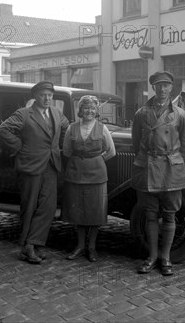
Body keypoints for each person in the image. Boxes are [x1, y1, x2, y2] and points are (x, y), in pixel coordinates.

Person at [0, 81, 69, 264]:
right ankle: (27, 247)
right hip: (30, 165)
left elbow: (68, 129)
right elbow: (2, 130)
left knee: (49, 207)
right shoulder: (24, 114)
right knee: (29, 207)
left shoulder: (57, 113)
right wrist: (19, 146)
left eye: (50, 95)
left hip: (51, 165)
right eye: (43, 95)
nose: (47, 98)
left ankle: (35, 242)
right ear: (35, 96)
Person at [131, 71, 185, 276]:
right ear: (153, 88)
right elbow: (135, 142)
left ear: (171, 88)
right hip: (148, 167)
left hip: (170, 169)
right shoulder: (141, 113)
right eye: (158, 85)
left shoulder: (180, 115)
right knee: (149, 214)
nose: (162, 89)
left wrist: (171, 160)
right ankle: (152, 256)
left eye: (166, 85)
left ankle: (165, 258)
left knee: (169, 215)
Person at [62, 95, 115, 262]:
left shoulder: (102, 128)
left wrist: (96, 160)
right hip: (75, 174)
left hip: (97, 176)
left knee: (94, 211)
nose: (89, 111)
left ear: (96, 110)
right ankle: (79, 246)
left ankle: (91, 248)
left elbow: (111, 151)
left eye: (92, 108)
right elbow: (66, 151)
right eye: (86, 108)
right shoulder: (72, 128)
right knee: (78, 211)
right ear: (80, 110)